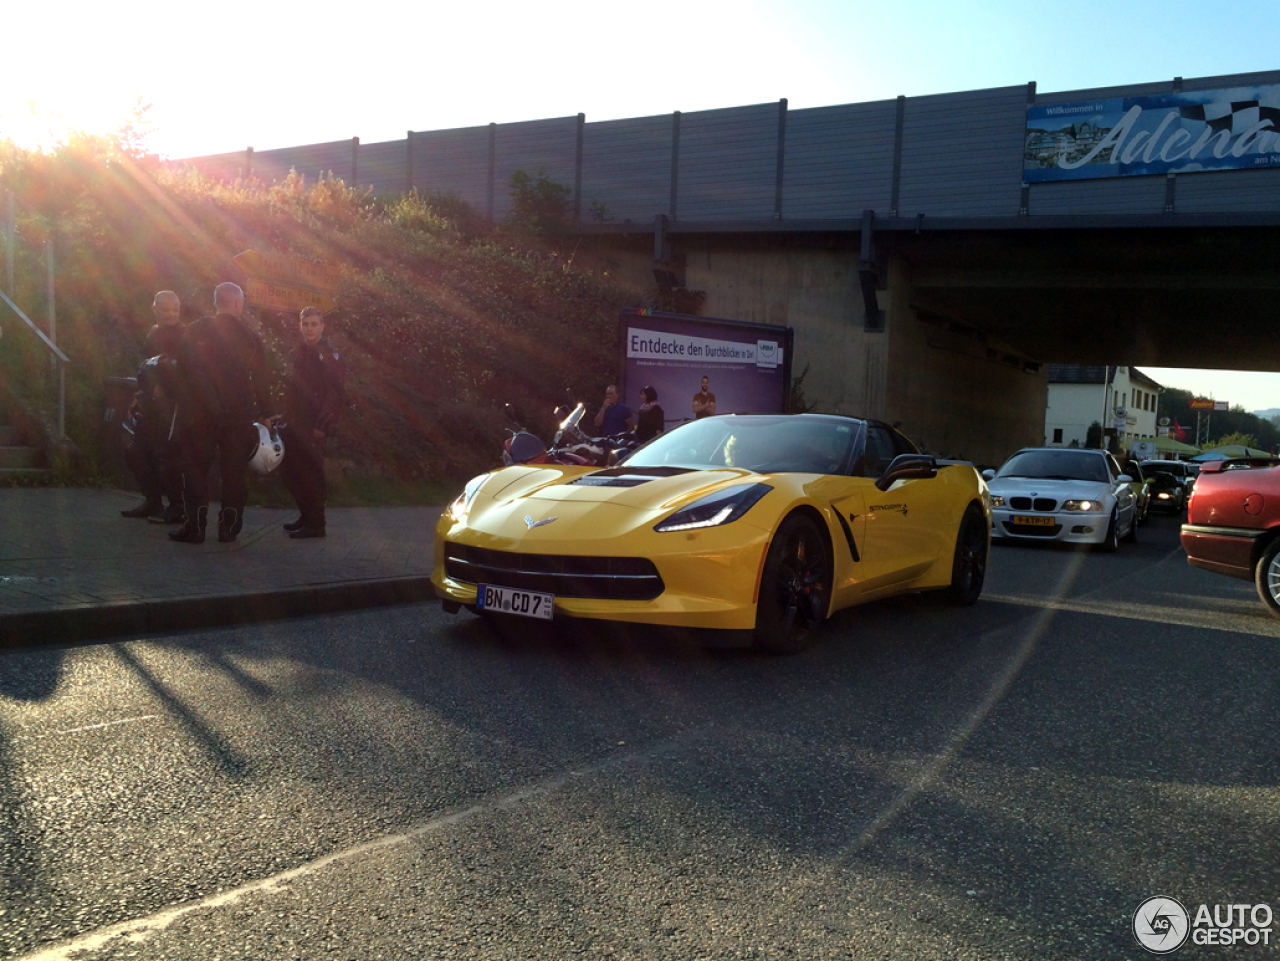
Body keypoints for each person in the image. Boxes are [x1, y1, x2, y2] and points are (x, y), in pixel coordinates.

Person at [170, 282, 274, 544]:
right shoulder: (250, 336)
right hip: (237, 413)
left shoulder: (195, 330)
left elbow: (180, 370)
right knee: (233, 471)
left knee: (195, 468)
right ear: (238, 303)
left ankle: (195, 526)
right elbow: (262, 378)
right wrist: (266, 414)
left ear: (216, 302)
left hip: (200, 412)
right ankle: (229, 527)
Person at [278, 306, 347, 539]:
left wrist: (322, 425)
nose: (309, 328)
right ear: (300, 325)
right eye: (305, 324)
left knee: (312, 474)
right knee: (292, 470)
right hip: (296, 422)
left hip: (314, 424)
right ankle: (306, 515)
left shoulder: (328, 354)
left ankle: (316, 524)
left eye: (314, 324)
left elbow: (335, 394)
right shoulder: (302, 351)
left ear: (322, 326)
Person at [121, 291, 186, 523]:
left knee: (169, 456)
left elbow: (186, 370)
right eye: (166, 309)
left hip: (172, 407)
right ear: (155, 309)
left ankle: (178, 506)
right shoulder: (153, 333)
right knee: (135, 451)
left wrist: (165, 388)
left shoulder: (184, 335)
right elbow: (145, 366)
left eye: (174, 310)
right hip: (148, 404)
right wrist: (139, 395)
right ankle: (152, 501)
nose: (170, 314)